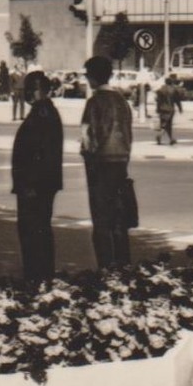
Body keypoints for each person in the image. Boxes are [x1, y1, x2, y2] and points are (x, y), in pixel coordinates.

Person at [79, 55, 134, 269]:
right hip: (120, 164)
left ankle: (106, 267)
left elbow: (87, 138)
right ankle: (123, 264)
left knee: (101, 220)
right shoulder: (122, 101)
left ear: (92, 77)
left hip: (100, 165)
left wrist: (88, 159)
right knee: (119, 219)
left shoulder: (94, 102)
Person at [12, 71, 63, 284]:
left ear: (35, 90)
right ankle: (42, 275)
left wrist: (30, 184)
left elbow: (39, 152)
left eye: (27, 89)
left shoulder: (42, 113)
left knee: (33, 231)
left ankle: (36, 276)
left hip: (34, 186)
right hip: (41, 184)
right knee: (40, 229)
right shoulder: (47, 112)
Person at [154, 72, 183, 146]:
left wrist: (157, 109)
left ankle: (171, 139)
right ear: (172, 82)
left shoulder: (160, 89)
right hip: (170, 109)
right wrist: (180, 108)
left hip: (162, 109)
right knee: (167, 124)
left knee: (164, 124)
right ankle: (159, 136)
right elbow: (177, 100)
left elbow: (158, 100)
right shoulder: (173, 90)